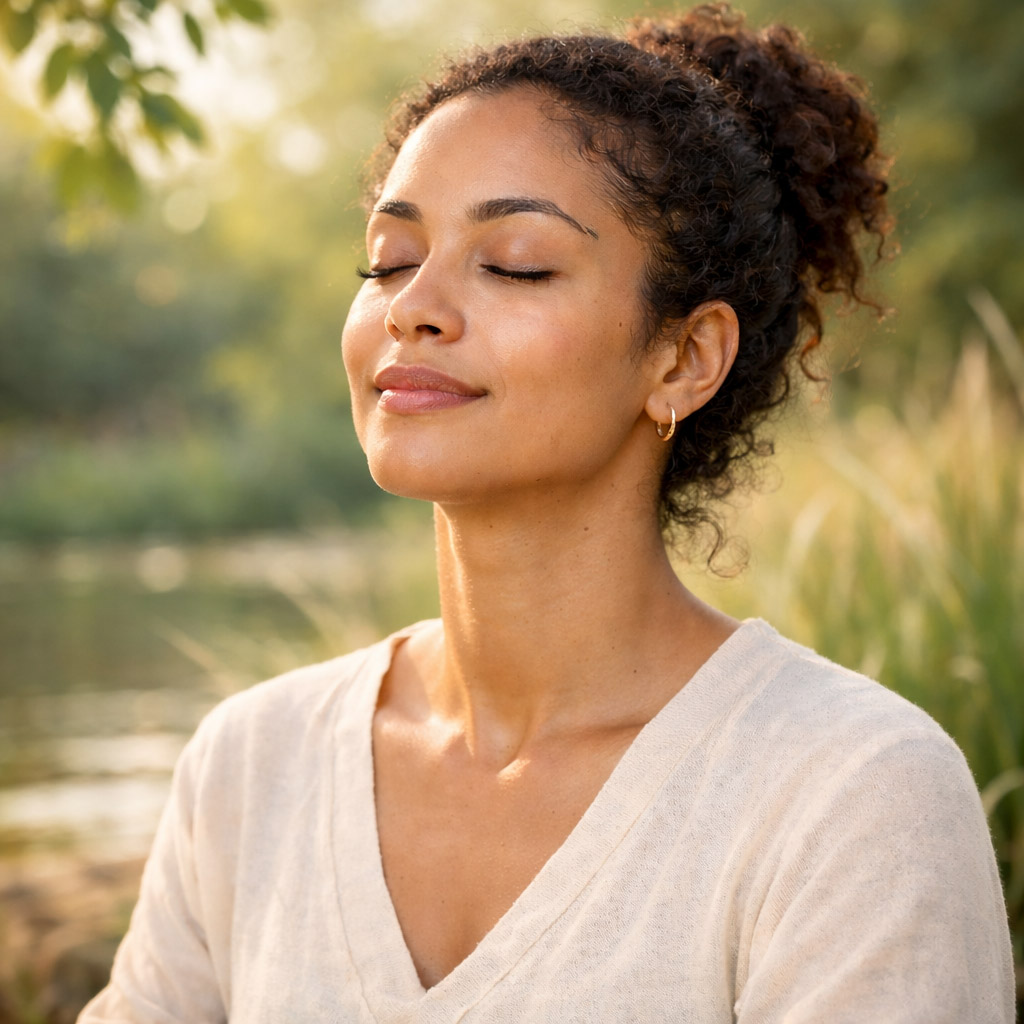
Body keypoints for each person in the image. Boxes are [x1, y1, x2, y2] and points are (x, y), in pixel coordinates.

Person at [80, 5, 1014, 1021]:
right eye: (389, 260)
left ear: (682, 358)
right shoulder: (252, 764)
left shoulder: (849, 792)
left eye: (515, 261)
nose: (411, 306)